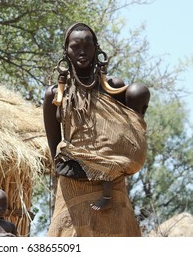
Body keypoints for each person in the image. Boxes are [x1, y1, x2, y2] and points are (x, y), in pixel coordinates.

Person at [43, 22, 150, 236]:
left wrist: (109, 163)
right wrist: (76, 163)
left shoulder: (113, 87)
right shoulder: (55, 94)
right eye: (75, 47)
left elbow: (126, 134)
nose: (82, 52)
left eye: (87, 46)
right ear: (66, 51)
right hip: (73, 179)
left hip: (111, 180)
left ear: (96, 48)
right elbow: (54, 145)